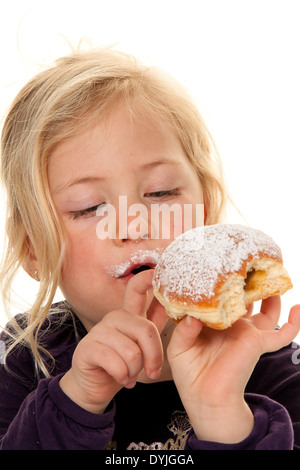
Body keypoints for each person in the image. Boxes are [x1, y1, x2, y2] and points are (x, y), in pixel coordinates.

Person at [0, 48, 299, 450]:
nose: (134, 221)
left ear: (205, 216)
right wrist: (75, 402)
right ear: (34, 251)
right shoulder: (21, 361)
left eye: (161, 192)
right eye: (90, 207)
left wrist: (222, 416)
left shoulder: (273, 363)